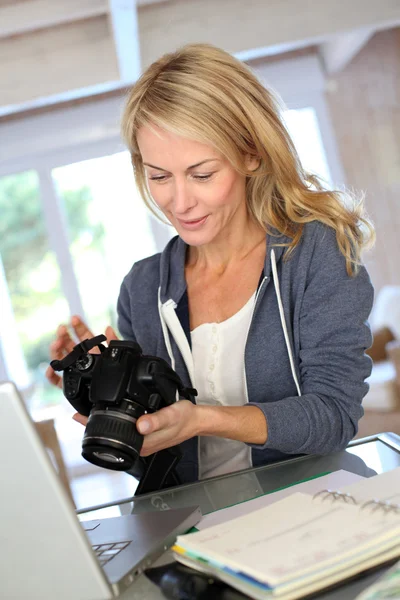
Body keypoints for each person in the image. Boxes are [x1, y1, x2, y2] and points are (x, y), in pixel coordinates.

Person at [46, 43, 375, 485]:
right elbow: (157, 465)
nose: (179, 203)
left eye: (202, 174)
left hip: (308, 515)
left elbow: (333, 417)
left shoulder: (315, 254)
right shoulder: (142, 287)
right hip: (198, 530)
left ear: (250, 154)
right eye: (159, 176)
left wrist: (203, 419)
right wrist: (104, 400)